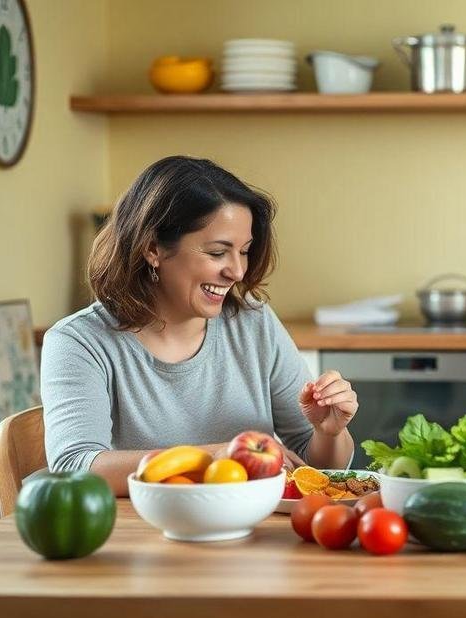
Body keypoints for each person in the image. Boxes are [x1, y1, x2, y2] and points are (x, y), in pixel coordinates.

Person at [41, 156, 358, 495]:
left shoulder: (254, 323)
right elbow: (76, 466)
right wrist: (217, 456)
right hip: (137, 537)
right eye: (218, 253)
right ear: (153, 249)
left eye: (244, 251)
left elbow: (318, 472)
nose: (236, 271)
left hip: (251, 534)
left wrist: (329, 432)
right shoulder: (79, 341)